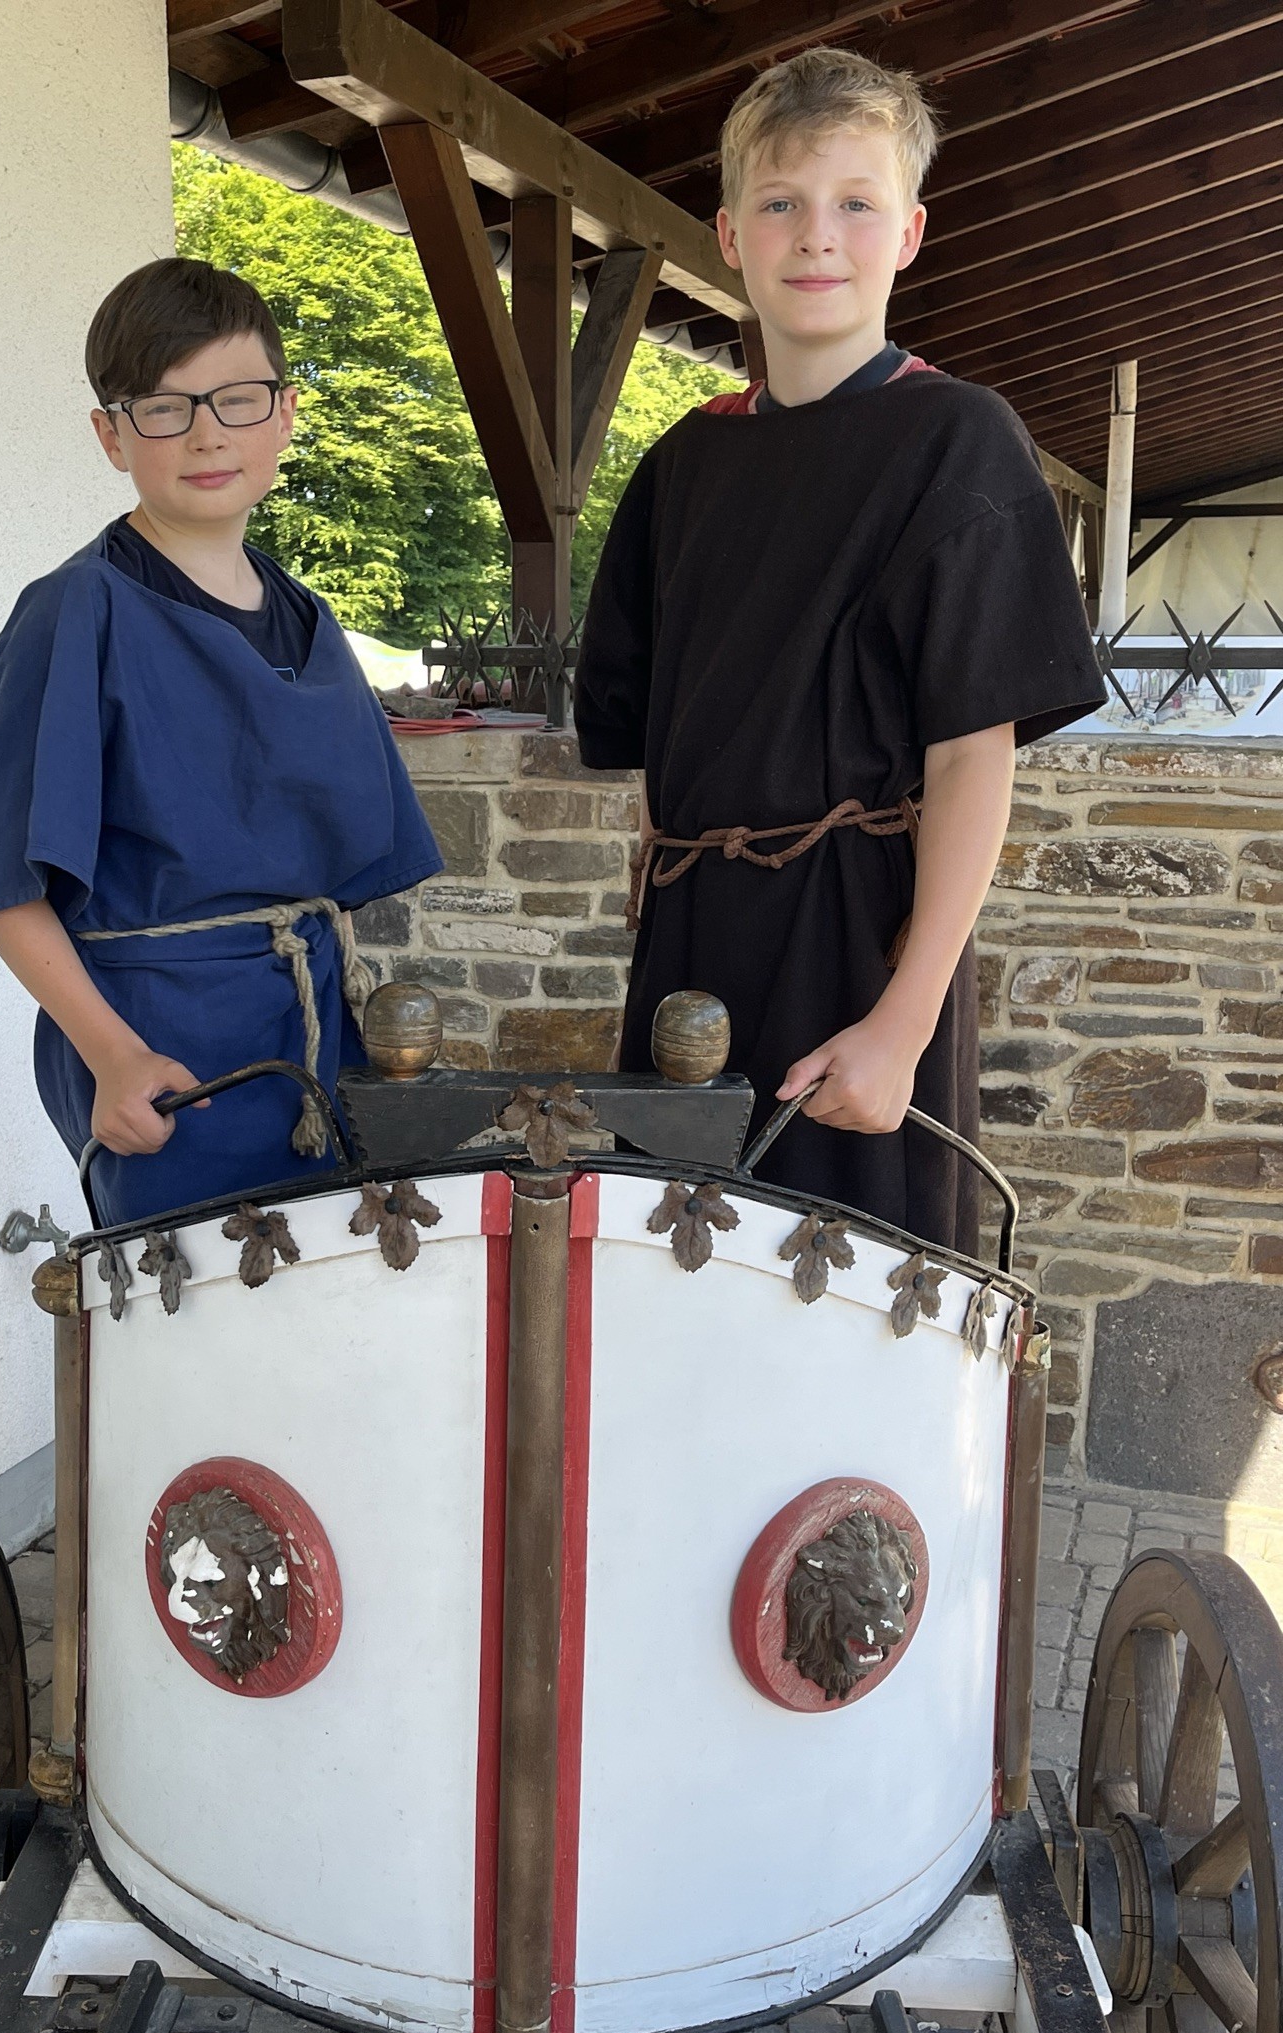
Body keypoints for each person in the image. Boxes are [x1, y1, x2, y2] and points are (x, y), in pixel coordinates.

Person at [573, 48, 1106, 1255]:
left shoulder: (960, 441)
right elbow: (659, 744)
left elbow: (972, 758)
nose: (818, 235)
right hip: (692, 953)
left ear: (908, 234)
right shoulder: (682, 467)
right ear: (730, 235)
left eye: (856, 203)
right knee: (675, 1272)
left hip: (860, 950)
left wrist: (903, 1024)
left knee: (855, 1288)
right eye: (781, 202)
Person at [0, 258, 442, 1227]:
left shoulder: (304, 614)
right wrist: (113, 1055)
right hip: (165, 1062)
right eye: (166, 408)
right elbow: (7, 889)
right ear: (112, 435)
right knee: (199, 1312)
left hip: (318, 1038)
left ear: (286, 413)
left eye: (237, 398)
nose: (209, 433)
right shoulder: (75, 612)